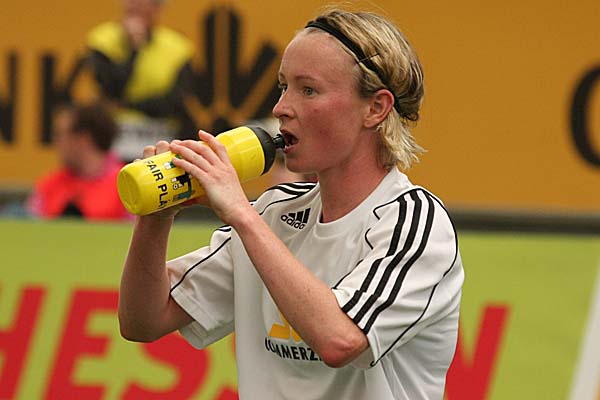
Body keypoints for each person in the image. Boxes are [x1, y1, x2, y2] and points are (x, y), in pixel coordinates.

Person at [118, 8, 464, 399]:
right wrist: (157, 218)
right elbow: (144, 321)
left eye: (308, 90)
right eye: (283, 86)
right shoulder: (274, 213)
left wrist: (241, 214)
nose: (281, 107)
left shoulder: (415, 222)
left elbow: (340, 340)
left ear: (375, 108)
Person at [86, 0, 195, 161]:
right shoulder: (102, 40)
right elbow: (112, 89)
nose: (134, 5)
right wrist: (135, 49)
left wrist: (127, 105)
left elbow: (176, 101)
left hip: (162, 138)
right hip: (115, 140)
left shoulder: (178, 47)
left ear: (158, 8)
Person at [27, 102, 130, 221]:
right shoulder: (48, 186)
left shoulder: (126, 185)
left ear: (84, 138)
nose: (56, 143)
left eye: (60, 135)